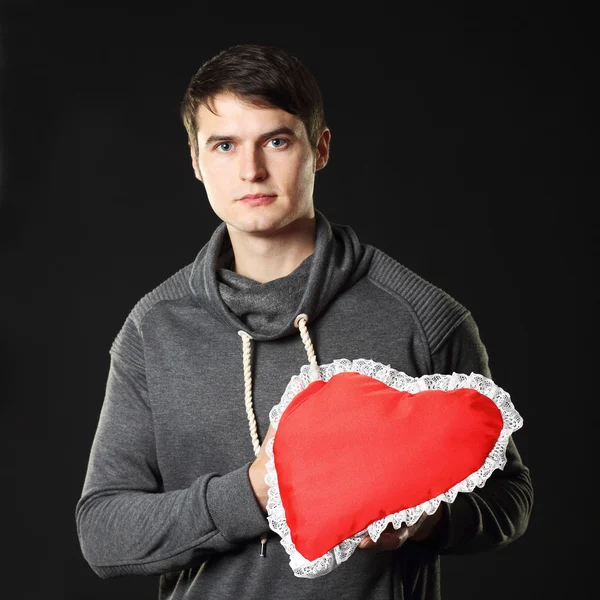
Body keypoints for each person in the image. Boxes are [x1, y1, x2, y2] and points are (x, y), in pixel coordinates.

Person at [75, 43, 533, 599]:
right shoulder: (155, 329)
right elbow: (103, 533)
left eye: (276, 140)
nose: (252, 170)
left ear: (319, 149)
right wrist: (254, 492)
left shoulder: (423, 317)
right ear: (197, 161)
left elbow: (510, 499)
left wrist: (430, 521)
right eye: (225, 145)